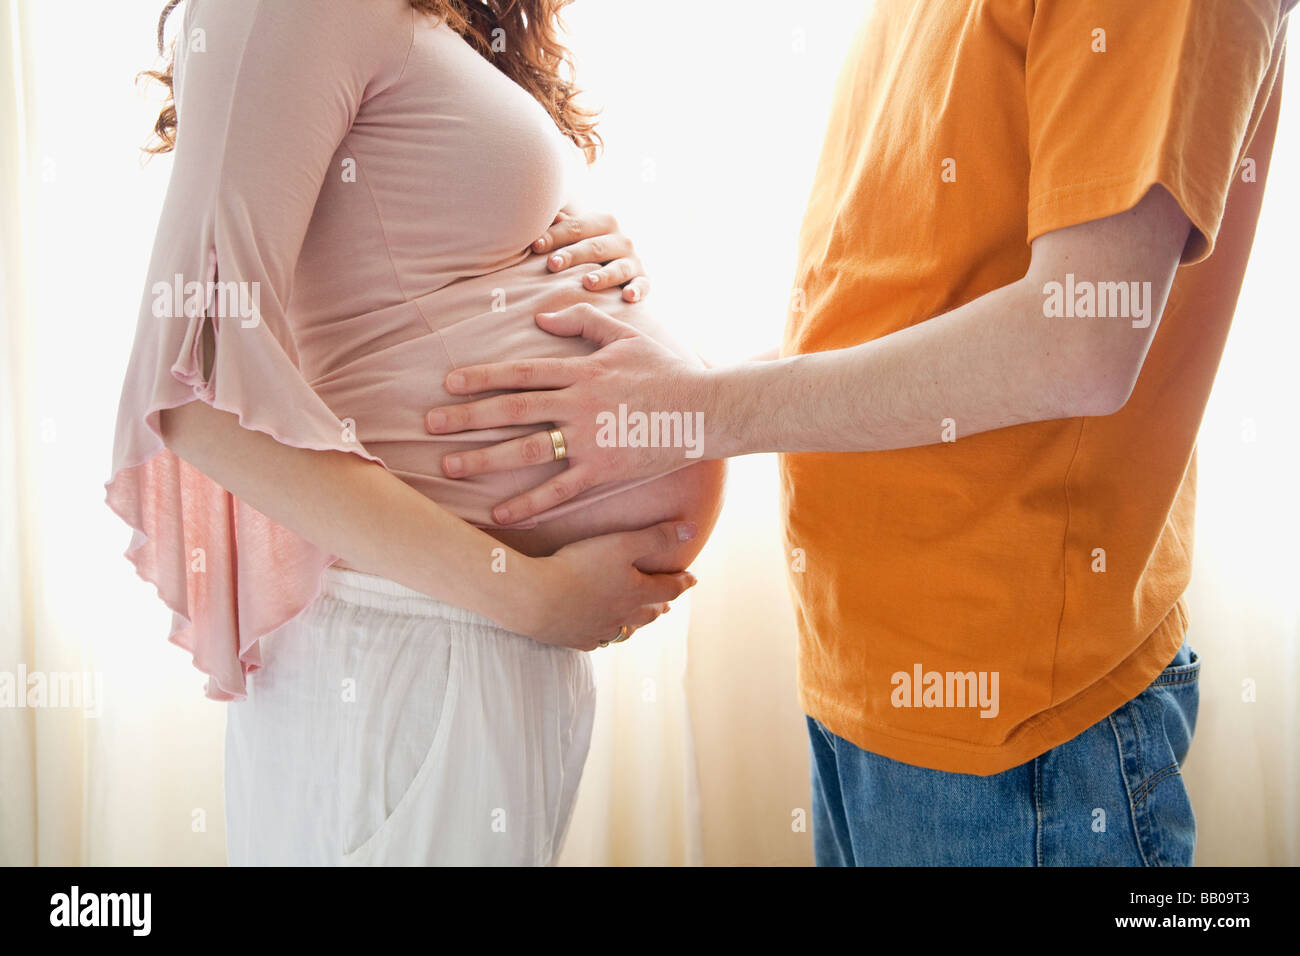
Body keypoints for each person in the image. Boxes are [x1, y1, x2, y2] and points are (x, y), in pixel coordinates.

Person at [423, 0, 1295, 865]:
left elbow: (1080, 343)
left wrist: (689, 409)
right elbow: (901, 307)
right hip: (869, 675)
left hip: (1020, 728)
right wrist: (651, 367)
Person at [106, 0, 724, 866]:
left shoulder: (421, 18)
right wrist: (530, 593)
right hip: (416, 644)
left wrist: (579, 255)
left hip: (473, 636)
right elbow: (190, 397)